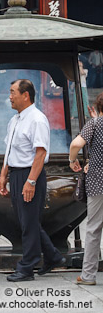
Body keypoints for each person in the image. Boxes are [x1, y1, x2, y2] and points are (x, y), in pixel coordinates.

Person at [0, 79, 65, 282]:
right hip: (16, 173)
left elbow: (40, 153)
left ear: (25, 95)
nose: (9, 96)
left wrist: (31, 181)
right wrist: (3, 175)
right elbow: (9, 149)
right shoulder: (15, 120)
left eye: (12, 92)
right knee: (27, 221)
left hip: (30, 174)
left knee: (28, 223)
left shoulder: (37, 119)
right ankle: (53, 257)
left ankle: (27, 267)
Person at [69, 92, 103, 285]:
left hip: (98, 180)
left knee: (93, 229)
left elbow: (76, 144)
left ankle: (88, 275)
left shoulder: (95, 124)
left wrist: (72, 160)